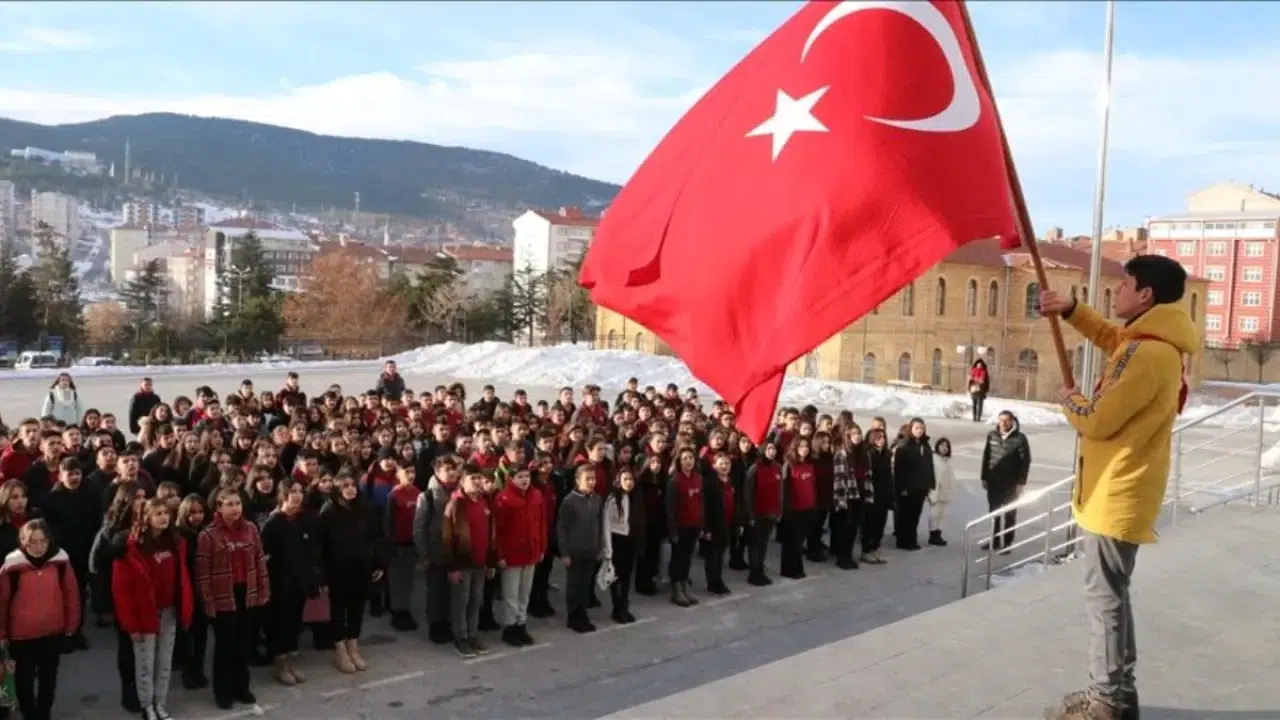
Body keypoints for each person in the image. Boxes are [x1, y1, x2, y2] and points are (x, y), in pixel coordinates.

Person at [1040, 255, 1197, 720]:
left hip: (1116, 493)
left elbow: (1100, 421)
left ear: (1145, 295)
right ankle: (1116, 693)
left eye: (1124, 285)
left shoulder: (1149, 353)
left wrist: (1072, 402)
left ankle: (1105, 701)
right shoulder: (1152, 342)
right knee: (1112, 596)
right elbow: (1115, 341)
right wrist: (1072, 310)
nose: (1117, 293)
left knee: (1104, 602)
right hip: (1118, 490)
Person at [112, 497, 194, 720]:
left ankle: (161, 703)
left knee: (165, 662)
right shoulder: (130, 547)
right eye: (158, 513)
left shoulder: (176, 543)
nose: (164, 518)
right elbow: (122, 591)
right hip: (144, 614)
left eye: (166, 513)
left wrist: (185, 609)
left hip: (169, 611)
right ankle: (147, 705)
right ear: (146, 517)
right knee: (145, 664)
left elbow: (182, 578)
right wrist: (131, 624)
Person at [197, 487, 270, 710]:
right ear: (218, 507)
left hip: (246, 594)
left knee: (243, 643)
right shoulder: (208, 535)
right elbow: (203, 573)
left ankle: (242, 687)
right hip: (222, 596)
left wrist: (263, 590)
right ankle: (223, 691)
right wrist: (208, 602)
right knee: (225, 646)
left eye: (237, 503)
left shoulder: (250, 529)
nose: (235, 508)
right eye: (229, 504)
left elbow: (259, 561)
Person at [0, 520, 79, 720]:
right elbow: (2, 602)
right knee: (24, 681)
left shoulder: (60, 562)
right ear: (23, 543)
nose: (38, 547)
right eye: (32, 542)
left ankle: (44, 713)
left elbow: (72, 596)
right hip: (21, 635)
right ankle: (30, 714)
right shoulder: (12, 566)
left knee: (48, 680)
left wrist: (70, 630)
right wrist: (2, 633)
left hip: (52, 632)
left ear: (49, 540)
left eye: (42, 541)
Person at [557, 465, 604, 632]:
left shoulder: (596, 499)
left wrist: (600, 546)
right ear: (578, 481)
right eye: (587, 479)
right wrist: (564, 553)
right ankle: (573, 617)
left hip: (591, 549)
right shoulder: (569, 501)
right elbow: (562, 528)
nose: (592, 482)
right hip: (575, 550)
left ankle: (583, 614)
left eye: (593, 479)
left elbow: (598, 525)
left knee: (585, 585)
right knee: (574, 585)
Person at [980, 412, 1032, 553]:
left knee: (1009, 514)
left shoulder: (1020, 439)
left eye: (1007, 420)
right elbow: (986, 457)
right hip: (994, 482)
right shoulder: (992, 435)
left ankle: (1008, 544)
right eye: (1001, 420)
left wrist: (1021, 483)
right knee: (994, 513)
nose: (1003, 423)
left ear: (1012, 422)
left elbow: (1025, 462)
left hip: (1011, 484)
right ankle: (995, 541)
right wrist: (984, 477)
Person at [927, 438, 954, 547]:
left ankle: (938, 533)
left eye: (946, 446)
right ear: (937, 446)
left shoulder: (948, 460)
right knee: (934, 513)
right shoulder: (934, 458)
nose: (944, 448)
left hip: (945, 490)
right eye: (942, 445)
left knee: (942, 514)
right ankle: (932, 534)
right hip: (936, 490)